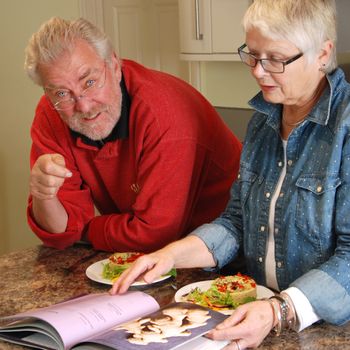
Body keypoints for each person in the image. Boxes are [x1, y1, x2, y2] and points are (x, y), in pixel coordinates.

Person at [111, 0, 350, 348]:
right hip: (260, 316)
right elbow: (236, 222)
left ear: (323, 54)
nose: (257, 70)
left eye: (275, 59)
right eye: (252, 55)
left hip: (328, 329)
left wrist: (279, 310)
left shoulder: (344, 128)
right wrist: (169, 256)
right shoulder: (263, 122)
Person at [24, 17, 242, 252]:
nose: (84, 106)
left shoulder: (164, 114)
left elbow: (155, 234)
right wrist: (43, 195)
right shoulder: (51, 113)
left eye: (89, 82)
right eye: (62, 93)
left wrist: (85, 230)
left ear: (115, 66)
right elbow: (60, 232)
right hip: (146, 255)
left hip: (221, 251)